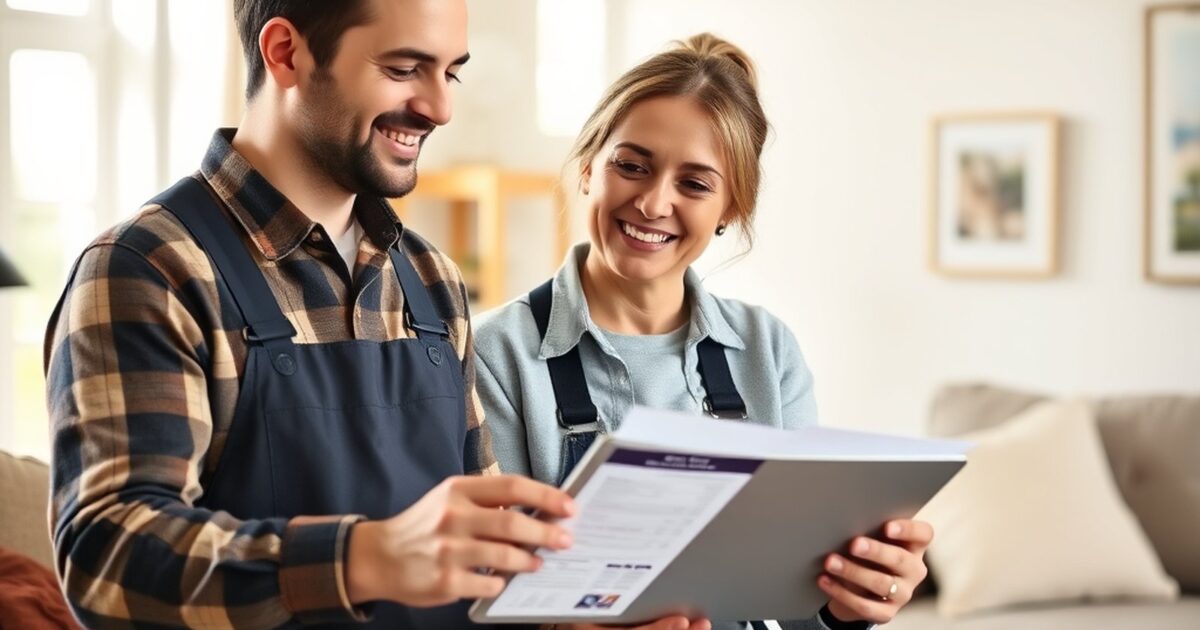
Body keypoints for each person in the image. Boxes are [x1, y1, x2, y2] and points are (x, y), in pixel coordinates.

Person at [43, 2, 587, 628]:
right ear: (285, 52)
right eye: (406, 68)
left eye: (450, 73)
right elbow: (109, 557)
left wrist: (573, 617)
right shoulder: (150, 268)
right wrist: (363, 558)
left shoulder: (432, 279)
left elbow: (488, 549)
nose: (439, 108)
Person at [474, 34, 934, 630]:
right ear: (588, 168)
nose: (653, 202)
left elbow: (796, 604)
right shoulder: (495, 354)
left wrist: (849, 606)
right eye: (632, 166)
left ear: (731, 210)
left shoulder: (769, 351)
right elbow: (486, 595)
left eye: (694, 184)